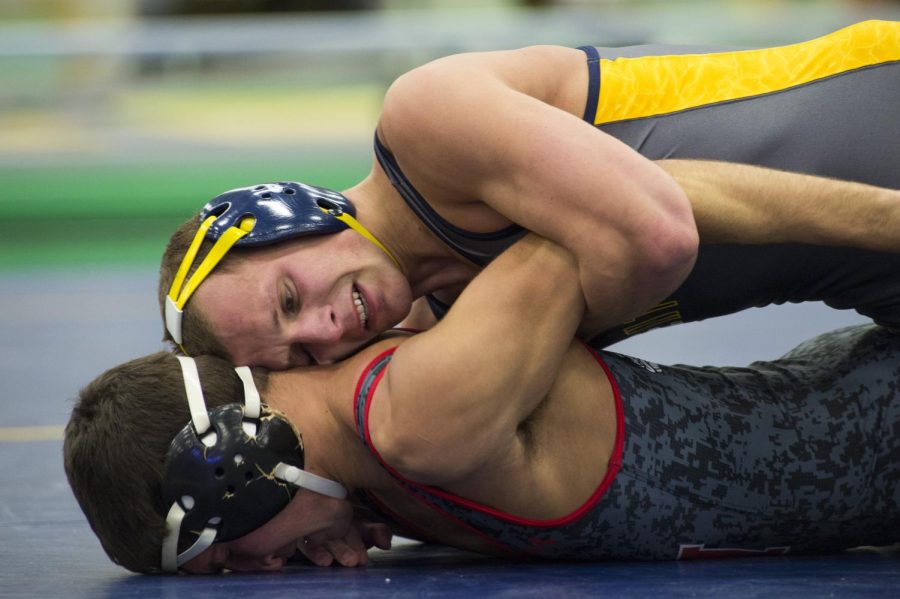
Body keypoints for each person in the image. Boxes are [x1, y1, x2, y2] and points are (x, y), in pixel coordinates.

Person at [69, 233, 900, 574]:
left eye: (228, 561)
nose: (261, 571)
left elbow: (607, 226)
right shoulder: (380, 460)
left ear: (236, 471)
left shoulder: (422, 417)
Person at [157, 20, 900, 369]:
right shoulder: (438, 332)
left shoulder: (425, 121)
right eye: (301, 355)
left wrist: (558, 325)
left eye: (289, 299)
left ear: (288, 212)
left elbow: (657, 233)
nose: (322, 332)